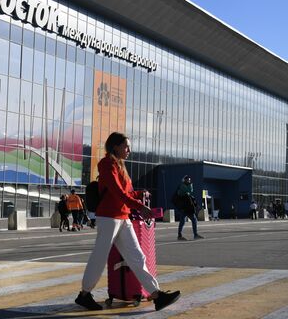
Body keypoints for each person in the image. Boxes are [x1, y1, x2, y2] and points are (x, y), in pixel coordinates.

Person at [75, 132, 180, 312]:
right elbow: (117, 192)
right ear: (116, 146)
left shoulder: (121, 166)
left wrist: (140, 195)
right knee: (99, 257)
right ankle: (84, 295)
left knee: (137, 256)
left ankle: (156, 295)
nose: (129, 150)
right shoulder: (106, 164)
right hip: (109, 217)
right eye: (126, 146)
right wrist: (139, 206)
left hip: (123, 217)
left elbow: (127, 193)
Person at [175, 176, 204, 241]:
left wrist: (196, 205)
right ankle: (193, 235)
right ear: (184, 180)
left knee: (186, 221)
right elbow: (188, 192)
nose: (189, 181)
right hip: (185, 208)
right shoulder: (183, 187)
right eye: (188, 180)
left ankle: (181, 235)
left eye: (189, 180)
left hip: (188, 208)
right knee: (190, 220)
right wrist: (190, 186)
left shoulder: (187, 188)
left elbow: (190, 195)